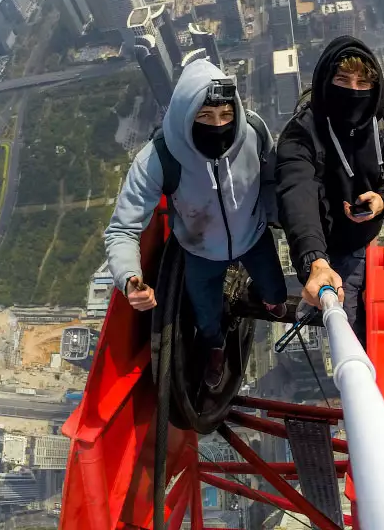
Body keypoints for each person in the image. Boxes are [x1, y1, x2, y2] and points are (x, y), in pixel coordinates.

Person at [104, 58, 288, 388]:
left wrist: (278, 216)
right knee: (205, 314)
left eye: (225, 115)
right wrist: (129, 278)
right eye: (204, 116)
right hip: (199, 250)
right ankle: (215, 346)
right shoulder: (159, 157)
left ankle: (271, 302)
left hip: (254, 234)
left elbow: (272, 179)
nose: (218, 125)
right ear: (186, 116)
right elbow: (123, 228)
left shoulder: (253, 131)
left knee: (275, 289)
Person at [276, 36, 384, 343]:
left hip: (358, 242)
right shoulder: (303, 131)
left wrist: (383, 200)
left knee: (347, 320)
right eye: (342, 79)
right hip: (319, 242)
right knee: (340, 318)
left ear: (374, 87)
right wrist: (315, 259)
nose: (353, 90)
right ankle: (313, 299)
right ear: (326, 80)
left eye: (363, 82)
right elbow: (297, 192)